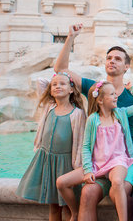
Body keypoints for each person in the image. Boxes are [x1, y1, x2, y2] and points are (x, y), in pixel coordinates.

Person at [54, 24, 133, 221]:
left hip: (130, 157)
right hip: (100, 160)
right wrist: (71, 37)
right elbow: (61, 69)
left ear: (126, 67)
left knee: (117, 191)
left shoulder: (132, 96)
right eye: (109, 58)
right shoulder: (94, 89)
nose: (112, 61)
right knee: (87, 193)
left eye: (118, 59)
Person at [56, 81, 133, 221]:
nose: (116, 96)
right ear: (100, 100)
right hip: (97, 164)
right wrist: (88, 170)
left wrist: (132, 88)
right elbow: (86, 147)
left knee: (117, 182)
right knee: (61, 182)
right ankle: (74, 212)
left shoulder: (120, 114)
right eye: (112, 94)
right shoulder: (92, 120)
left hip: (118, 161)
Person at [16, 72, 86, 221]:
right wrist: (60, 78)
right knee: (53, 207)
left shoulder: (77, 114)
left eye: (62, 84)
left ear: (71, 89)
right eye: (54, 85)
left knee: (67, 206)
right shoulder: (49, 106)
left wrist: (78, 166)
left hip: (65, 164)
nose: (57, 86)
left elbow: (80, 143)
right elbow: (40, 81)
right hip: (47, 161)